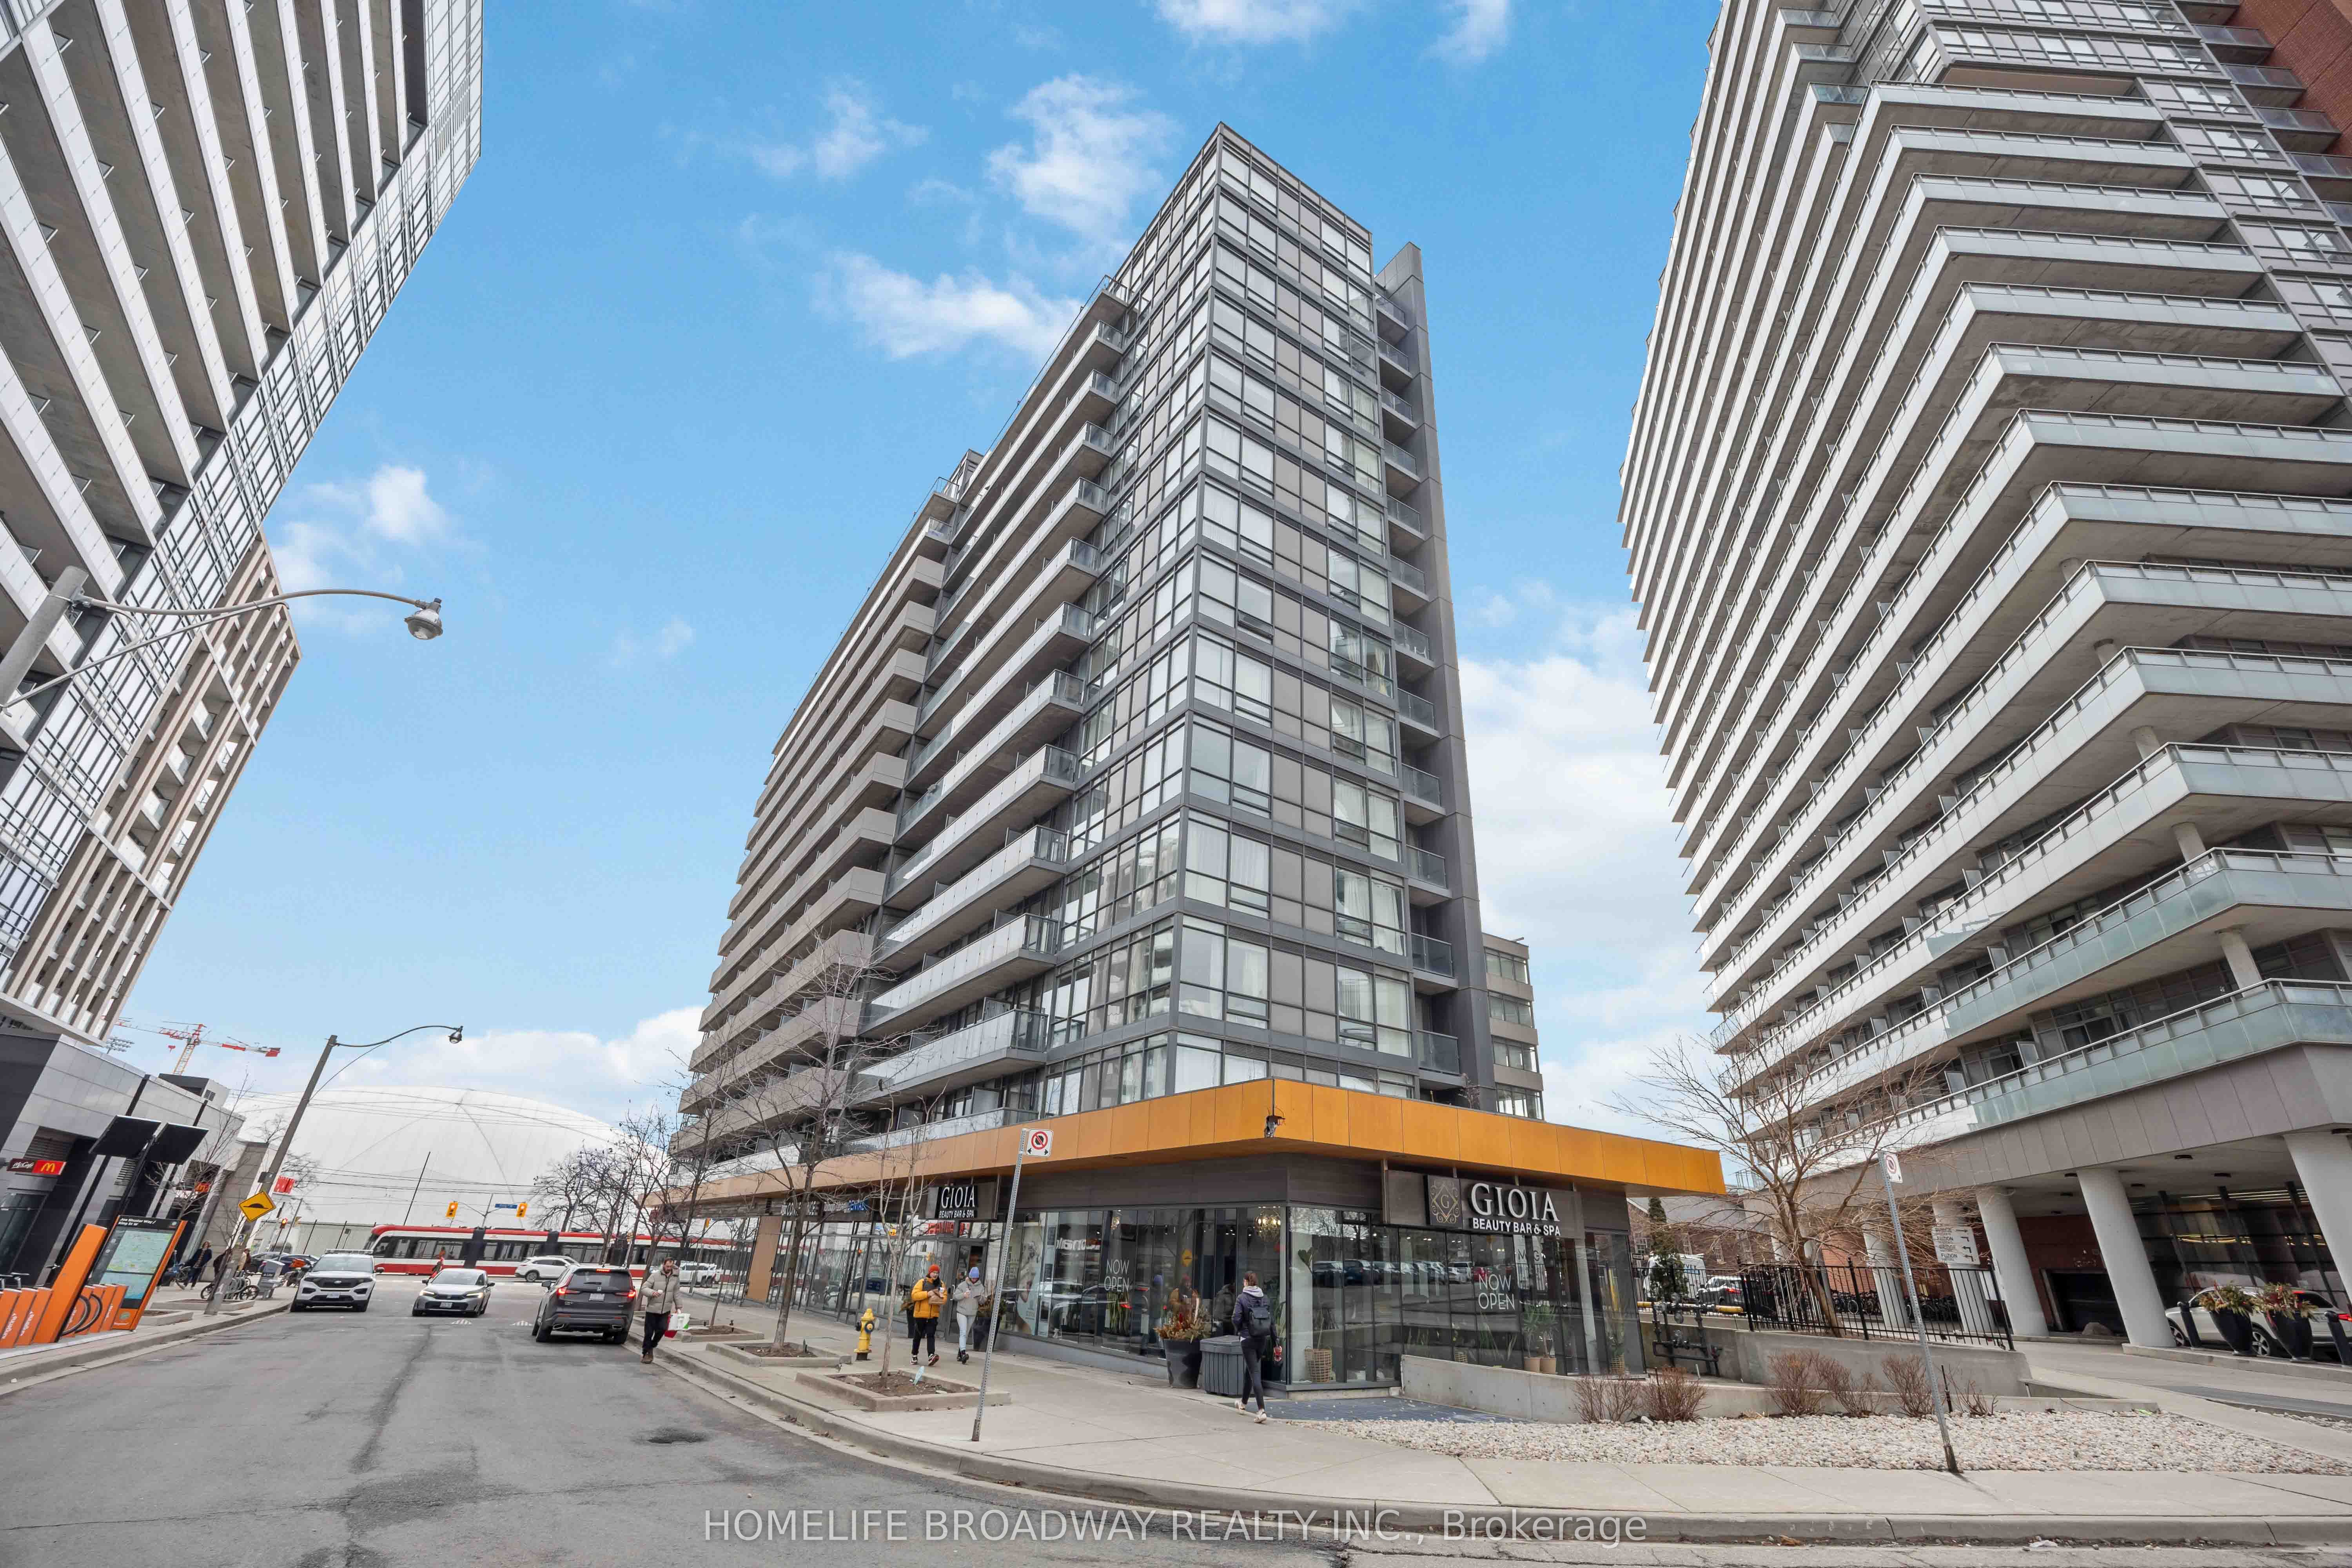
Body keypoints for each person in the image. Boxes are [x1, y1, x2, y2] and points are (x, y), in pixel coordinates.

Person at [1232, 1271, 1273, 1424]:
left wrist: (1241, 1330)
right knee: (1250, 1370)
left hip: (1248, 1340)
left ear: (1245, 1282)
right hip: (1262, 1339)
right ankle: (1243, 1404)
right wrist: (1276, 1342)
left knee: (1254, 1372)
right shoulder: (1265, 1298)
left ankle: (1262, 1410)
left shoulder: (1242, 1298)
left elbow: (1236, 1318)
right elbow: (1271, 1322)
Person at [639, 1256, 683, 1363]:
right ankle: (646, 1353)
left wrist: (679, 1307)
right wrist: (652, 1293)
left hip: (665, 1310)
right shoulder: (655, 1276)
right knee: (649, 1333)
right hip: (652, 1310)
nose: (669, 1268)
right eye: (668, 1266)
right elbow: (644, 1288)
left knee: (663, 1329)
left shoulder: (675, 1278)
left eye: (671, 1266)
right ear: (663, 1265)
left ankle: (652, 1346)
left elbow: (676, 1293)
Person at [908, 1262, 944, 1367]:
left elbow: (945, 1297)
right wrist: (927, 1294)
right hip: (921, 1315)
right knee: (918, 1336)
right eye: (934, 1272)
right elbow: (914, 1295)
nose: (936, 1275)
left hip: (933, 1315)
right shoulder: (922, 1282)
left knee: (931, 1335)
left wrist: (940, 1298)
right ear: (930, 1273)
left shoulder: (941, 1284)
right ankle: (914, 1355)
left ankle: (931, 1356)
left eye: (937, 1273)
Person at [952, 1266, 986, 1363]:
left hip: (972, 1313)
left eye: (976, 1278)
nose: (974, 1280)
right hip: (962, 1312)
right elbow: (955, 1296)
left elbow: (984, 1301)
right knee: (963, 1332)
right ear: (970, 1277)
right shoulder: (963, 1285)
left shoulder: (981, 1287)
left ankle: (960, 1354)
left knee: (966, 1334)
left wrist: (980, 1299)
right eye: (973, 1278)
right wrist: (963, 1295)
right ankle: (963, 1354)